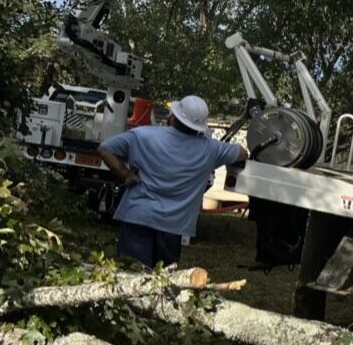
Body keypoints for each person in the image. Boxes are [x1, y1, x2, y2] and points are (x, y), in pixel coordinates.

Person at [97, 95, 247, 267]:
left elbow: (104, 149)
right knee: (162, 283)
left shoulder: (143, 135)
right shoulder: (211, 149)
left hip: (137, 215)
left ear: (173, 117)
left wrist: (125, 174)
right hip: (173, 226)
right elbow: (243, 153)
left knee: (131, 274)